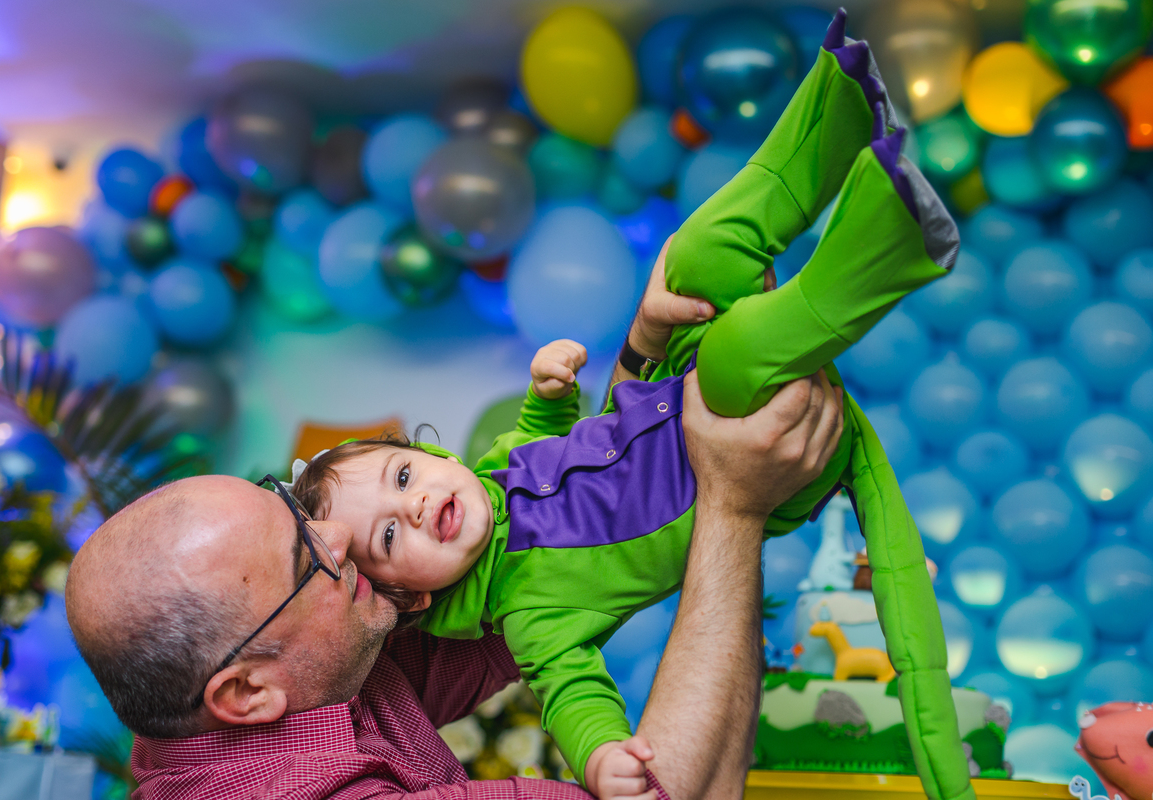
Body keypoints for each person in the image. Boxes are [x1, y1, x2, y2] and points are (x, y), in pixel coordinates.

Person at [288, 11, 969, 800]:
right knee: (743, 350)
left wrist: (551, 392)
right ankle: (895, 235)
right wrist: (602, 755)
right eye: (390, 534)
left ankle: (839, 111)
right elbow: (572, 693)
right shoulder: (529, 614)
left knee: (692, 259)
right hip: (740, 453)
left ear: (433, 457)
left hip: (671, 392)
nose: (419, 506)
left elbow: (548, 436)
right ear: (411, 597)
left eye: (404, 479)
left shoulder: (493, 470)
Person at [64, 247, 846, 799]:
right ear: (245, 692)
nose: (344, 540)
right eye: (308, 559)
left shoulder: (326, 662)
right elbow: (677, 791)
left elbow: (563, 541)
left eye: (288, 504)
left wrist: (646, 352)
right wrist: (734, 506)